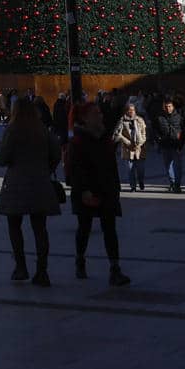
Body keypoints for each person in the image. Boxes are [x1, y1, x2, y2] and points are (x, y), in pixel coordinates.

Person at [0, 96, 61, 286]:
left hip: (16, 185)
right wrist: (46, 169)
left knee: (14, 226)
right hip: (40, 183)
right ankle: (42, 270)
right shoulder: (42, 130)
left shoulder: (13, 130)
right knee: (40, 228)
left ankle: (21, 267)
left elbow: (2, 158)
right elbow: (56, 153)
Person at [64, 101, 130, 286]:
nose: (100, 116)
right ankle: (80, 259)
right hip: (87, 190)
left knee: (110, 229)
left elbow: (110, 166)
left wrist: (115, 188)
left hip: (107, 189)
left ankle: (115, 268)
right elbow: (76, 169)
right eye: (96, 114)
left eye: (100, 113)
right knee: (84, 228)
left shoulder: (104, 137)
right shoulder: (78, 141)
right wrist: (84, 190)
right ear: (85, 118)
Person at [115, 101, 148, 194]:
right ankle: (133, 186)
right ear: (126, 111)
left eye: (133, 110)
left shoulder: (140, 120)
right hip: (128, 149)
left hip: (139, 148)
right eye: (129, 110)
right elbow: (117, 134)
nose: (131, 112)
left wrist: (140, 142)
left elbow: (144, 133)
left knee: (141, 169)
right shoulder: (122, 121)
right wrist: (127, 142)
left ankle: (141, 181)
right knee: (130, 170)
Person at [152, 99, 185, 193]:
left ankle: (177, 184)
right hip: (165, 145)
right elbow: (155, 130)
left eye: (169, 106)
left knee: (178, 166)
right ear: (163, 107)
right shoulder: (160, 118)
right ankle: (172, 183)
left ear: (173, 107)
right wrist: (158, 139)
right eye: (166, 107)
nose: (168, 108)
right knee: (168, 166)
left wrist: (181, 142)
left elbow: (183, 130)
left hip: (176, 145)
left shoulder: (179, 117)